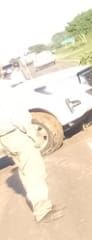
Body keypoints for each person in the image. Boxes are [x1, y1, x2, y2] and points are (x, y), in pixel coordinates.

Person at [0, 83, 61, 223]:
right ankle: (43, 211)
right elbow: (18, 116)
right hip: (17, 134)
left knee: (26, 171)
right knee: (33, 171)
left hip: (5, 139)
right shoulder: (3, 89)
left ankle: (41, 206)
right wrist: (33, 135)